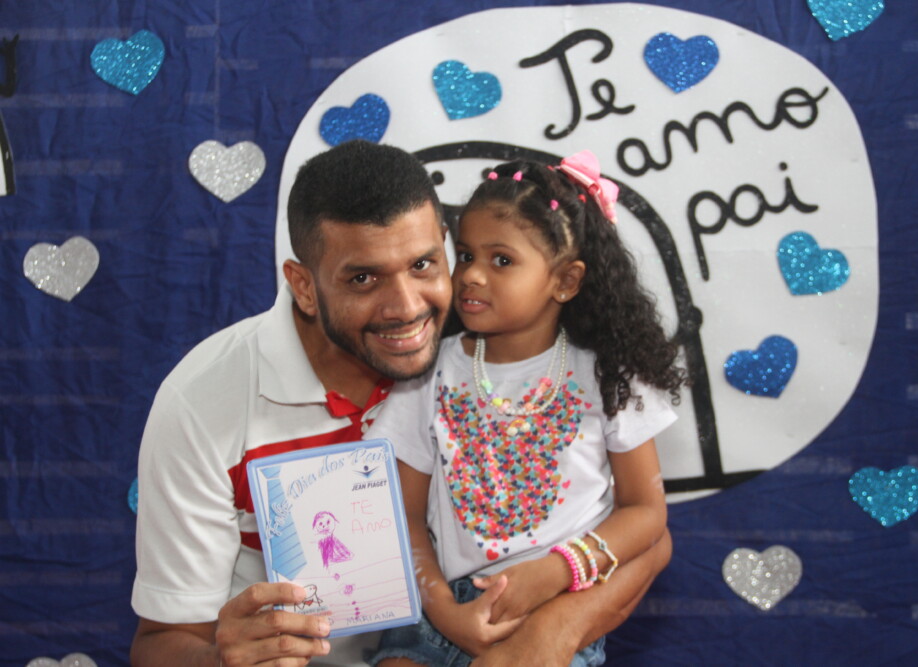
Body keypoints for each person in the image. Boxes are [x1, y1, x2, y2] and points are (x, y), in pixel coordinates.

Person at [130, 139, 672, 667]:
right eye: (363, 278)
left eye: (423, 265)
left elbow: (649, 534)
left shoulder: (480, 348)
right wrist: (224, 660)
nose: (407, 308)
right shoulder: (204, 405)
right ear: (304, 286)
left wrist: (553, 631)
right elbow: (162, 642)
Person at [366, 151, 687, 667]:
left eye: (502, 261)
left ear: (566, 281)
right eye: (465, 255)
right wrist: (445, 612)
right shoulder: (427, 372)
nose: (471, 276)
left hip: (554, 604)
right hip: (435, 616)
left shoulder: (607, 375)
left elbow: (646, 513)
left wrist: (557, 571)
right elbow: (403, 516)